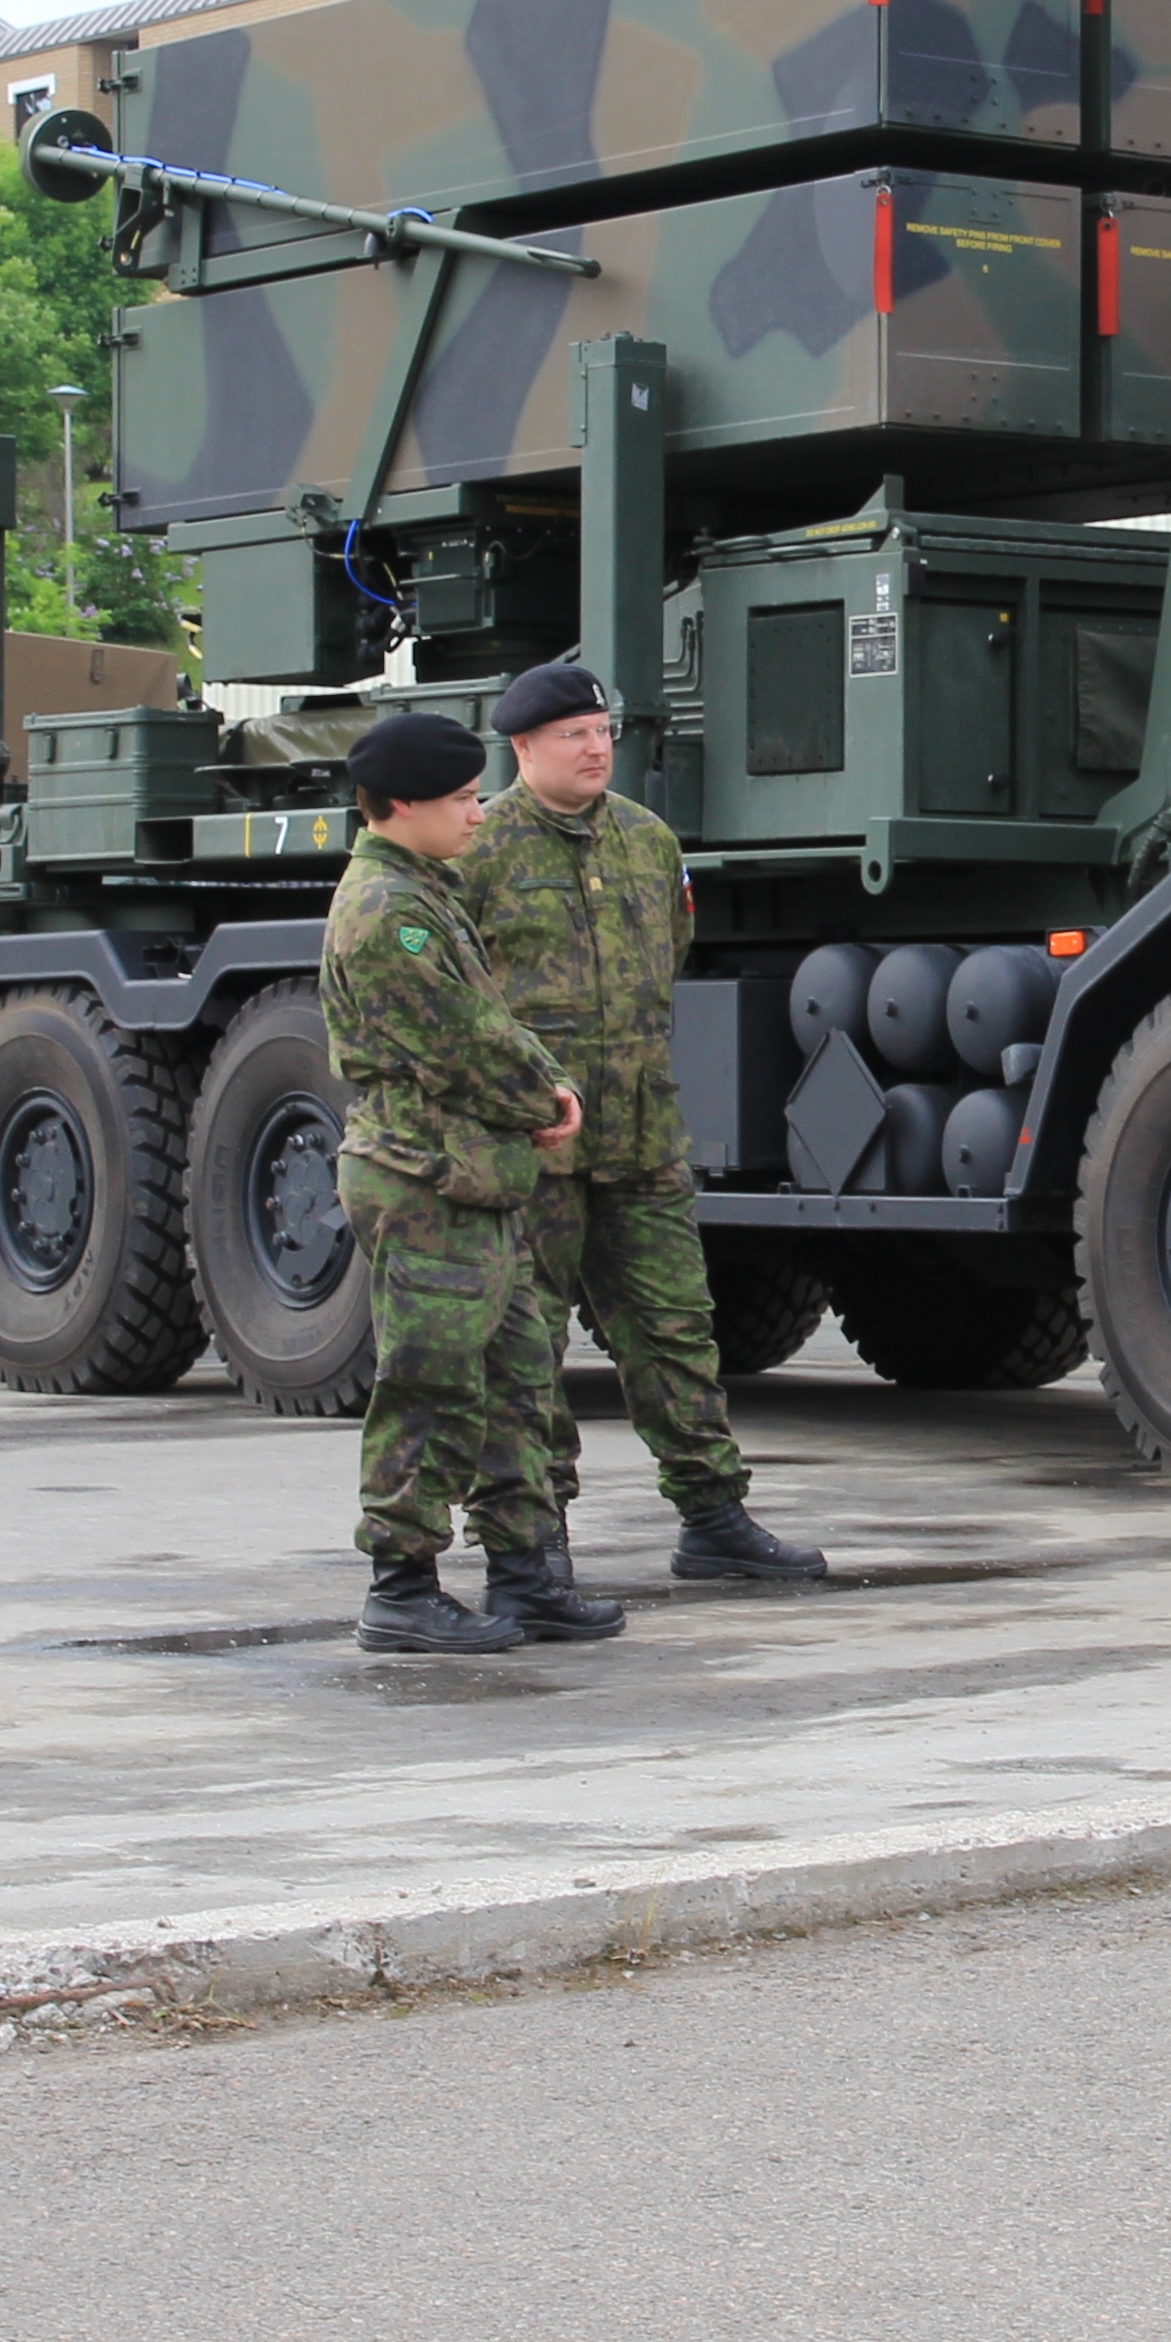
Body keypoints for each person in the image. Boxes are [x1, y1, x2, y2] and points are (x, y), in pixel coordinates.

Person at [459, 656, 827, 1583]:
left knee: (676, 1328)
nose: (595, 749)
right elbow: (458, 1002)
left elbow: (669, 954)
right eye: (573, 736)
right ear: (522, 748)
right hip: (531, 1148)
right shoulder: (477, 850)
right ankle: (535, 1543)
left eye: (603, 733)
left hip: (640, 1137)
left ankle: (712, 1515)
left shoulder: (647, 841)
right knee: (527, 1346)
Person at [322, 709, 626, 1655]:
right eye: (459, 798)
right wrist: (543, 1095)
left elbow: (489, 1015)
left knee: (515, 1380)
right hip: (425, 1177)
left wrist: (544, 1079)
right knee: (430, 1383)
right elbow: (457, 1040)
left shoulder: (425, 887)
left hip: (472, 1175)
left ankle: (524, 1575)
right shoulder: (387, 914)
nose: (479, 813)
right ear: (400, 804)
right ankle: (401, 1586)